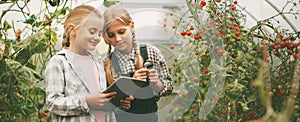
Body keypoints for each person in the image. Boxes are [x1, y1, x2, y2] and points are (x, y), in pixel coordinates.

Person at [44, 5, 133, 122]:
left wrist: (117, 102)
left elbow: (100, 103)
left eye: (100, 33)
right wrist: (86, 101)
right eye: (92, 32)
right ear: (72, 30)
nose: (97, 38)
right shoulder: (59, 62)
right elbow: (53, 103)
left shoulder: (98, 62)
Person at [102, 5, 173, 122]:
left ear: (132, 26)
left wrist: (157, 83)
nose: (118, 38)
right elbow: (105, 104)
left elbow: (168, 87)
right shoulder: (106, 64)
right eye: (111, 35)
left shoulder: (151, 53)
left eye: (121, 32)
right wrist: (128, 89)